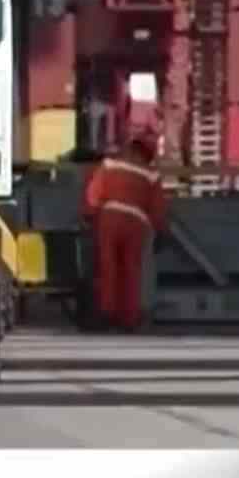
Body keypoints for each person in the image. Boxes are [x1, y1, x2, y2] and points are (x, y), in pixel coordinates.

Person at [84, 136, 167, 331]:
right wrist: (160, 230)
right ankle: (128, 318)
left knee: (107, 266)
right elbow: (157, 208)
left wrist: (89, 214)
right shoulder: (152, 175)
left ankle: (106, 313)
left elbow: (94, 193)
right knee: (131, 270)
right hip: (136, 223)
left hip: (109, 218)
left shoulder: (110, 165)